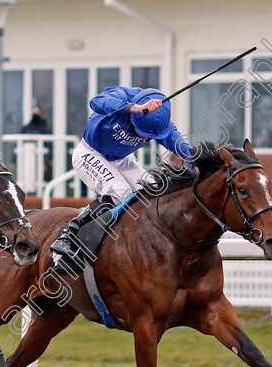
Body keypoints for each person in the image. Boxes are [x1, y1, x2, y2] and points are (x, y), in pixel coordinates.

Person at [50, 86, 194, 259]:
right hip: (90, 153)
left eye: (145, 135)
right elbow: (96, 102)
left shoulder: (161, 125)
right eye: (136, 129)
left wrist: (199, 164)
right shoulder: (123, 97)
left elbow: (185, 150)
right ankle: (70, 233)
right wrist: (135, 108)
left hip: (123, 159)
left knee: (154, 195)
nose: (140, 135)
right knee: (120, 192)